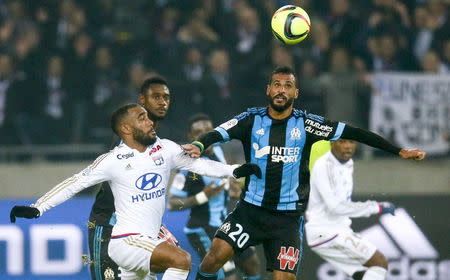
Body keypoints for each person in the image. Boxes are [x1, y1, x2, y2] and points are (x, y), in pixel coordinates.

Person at [182, 66, 426, 280]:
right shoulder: (250, 119)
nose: (281, 90)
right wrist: (200, 145)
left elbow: (355, 133)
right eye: (276, 85)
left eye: (288, 86)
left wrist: (398, 151)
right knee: (215, 256)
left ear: (295, 93)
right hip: (250, 211)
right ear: (268, 90)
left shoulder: (308, 124)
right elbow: (218, 132)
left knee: (284, 277)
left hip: (287, 220)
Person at [10, 103, 262, 280]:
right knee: (181, 260)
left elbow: (197, 164)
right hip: (125, 241)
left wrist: (235, 171)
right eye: (142, 118)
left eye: (148, 117)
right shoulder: (113, 160)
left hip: (149, 241)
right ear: (126, 130)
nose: (151, 121)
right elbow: (76, 182)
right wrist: (38, 207)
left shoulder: (164, 149)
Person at [87, 76, 173, 280]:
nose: (162, 102)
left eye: (166, 98)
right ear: (142, 100)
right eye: (156, 97)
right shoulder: (128, 135)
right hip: (109, 226)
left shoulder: (156, 138)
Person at [168, 113, 261, 280]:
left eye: (208, 131)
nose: (204, 135)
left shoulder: (218, 150)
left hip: (225, 222)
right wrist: (203, 196)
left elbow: (226, 182)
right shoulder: (185, 167)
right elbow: (172, 204)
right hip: (202, 228)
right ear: (191, 137)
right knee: (228, 275)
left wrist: (233, 190)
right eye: (198, 132)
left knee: (250, 262)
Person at [305, 139, 394, 280]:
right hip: (327, 232)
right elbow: (335, 206)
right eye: (342, 142)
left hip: (335, 229)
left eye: (351, 142)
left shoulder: (348, 163)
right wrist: (376, 207)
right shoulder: (324, 165)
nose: (347, 146)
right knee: (379, 262)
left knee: (363, 274)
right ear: (332, 143)